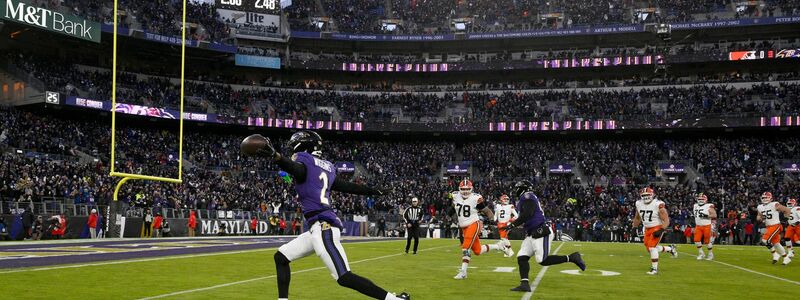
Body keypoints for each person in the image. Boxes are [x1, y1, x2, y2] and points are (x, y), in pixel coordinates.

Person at [242, 131, 409, 300]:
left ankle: (393, 299)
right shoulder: (326, 167)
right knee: (281, 257)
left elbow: (296, 169)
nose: (292, 148)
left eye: (294, 144)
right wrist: (373, 190)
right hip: (318, 228)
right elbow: (348, 186)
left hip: (324, 227)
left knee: (344, 277)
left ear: (303, 145)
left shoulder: (304, 162)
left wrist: (276, 157)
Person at [508, 180, 585, 292]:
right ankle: (524, 284)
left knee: (542, 260)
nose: (516, 191)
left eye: (518, 188)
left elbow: (528, 213)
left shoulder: (527, 196)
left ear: (523, 189)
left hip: (540, 231)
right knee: (522, 257)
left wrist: (512, 224)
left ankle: (572, 257)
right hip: (531, 233)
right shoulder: (524, 199)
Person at [451, 179, 508, 280]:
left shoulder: (475, 198)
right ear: (459, 189)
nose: (465, 191)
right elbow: (453, 207)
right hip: (464, 226)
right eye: (463, 189)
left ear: (471, 189)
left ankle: (463, 272)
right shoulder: (455, 196)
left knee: (465, 246)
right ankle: (499, 246)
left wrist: (492, 219)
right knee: (478, 251)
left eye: (467, 189)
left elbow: (486, 210)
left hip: (474, 224)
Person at [632, 187, 677, 275]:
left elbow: (666, 220)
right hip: (647, 228)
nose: (646, 197)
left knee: (652, 248)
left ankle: (654, 269)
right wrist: (634, 227)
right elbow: (637, 217)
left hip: (657, 227)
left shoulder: (658, 204)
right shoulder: (638, 203)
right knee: (650, 249)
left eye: (647, 195)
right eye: (644, 195)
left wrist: (661, 230)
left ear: (652, 195)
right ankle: (670, 248)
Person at [757, 192, 792, 265]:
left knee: (764, 240)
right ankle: (786, 258)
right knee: (776, 244)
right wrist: (759, 218)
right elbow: (759, 216)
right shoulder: (760, 207)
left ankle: (775, 254)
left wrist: (788, 219)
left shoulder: (774, 204)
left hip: (775, 225)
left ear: (770, 198)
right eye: (763, 198)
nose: (764, 199)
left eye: (766, 197)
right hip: (769, 226)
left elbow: (786, 210)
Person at [692, 193, 717, 260]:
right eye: (699, 199)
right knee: (696, 240)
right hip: (698, 226)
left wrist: (706, 216)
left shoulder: (709, 206)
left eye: (702, 199)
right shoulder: (695, 206)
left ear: (705, 199)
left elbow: (714, 215)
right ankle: (701, 253)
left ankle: (710, 254)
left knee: (707, 241)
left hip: (706, 226)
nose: (700, 200)